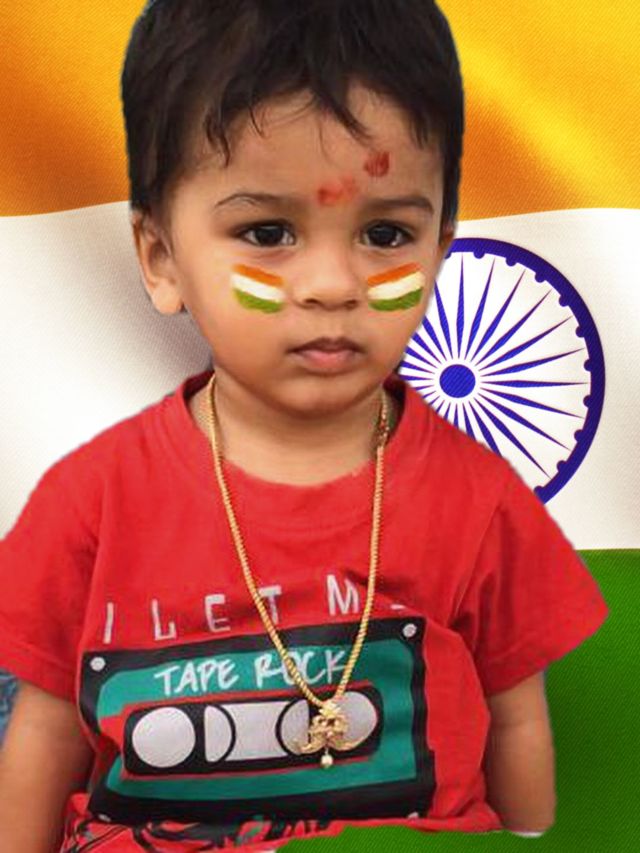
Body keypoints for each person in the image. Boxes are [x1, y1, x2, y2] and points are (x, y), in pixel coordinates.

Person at [0, 0, 609, 850]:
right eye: (268, 231)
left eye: (386, 233)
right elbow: (44, 734)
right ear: (161, 259)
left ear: (441, 249)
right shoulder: (89, 500)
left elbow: (517, 719)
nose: (332, 284)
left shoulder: (479, 497)